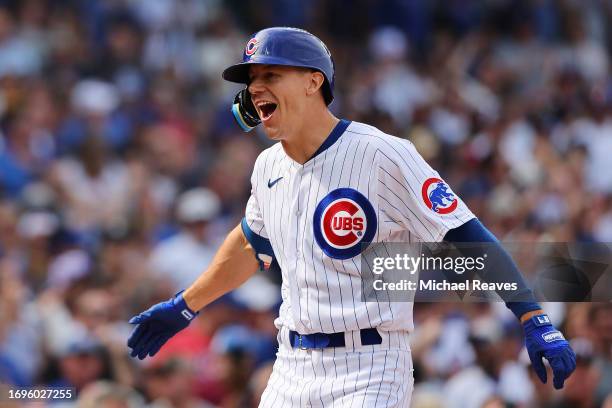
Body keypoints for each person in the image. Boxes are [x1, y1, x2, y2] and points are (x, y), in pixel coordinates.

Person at [127, 27, 576, 407]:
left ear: (312, 82)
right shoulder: (268, 167)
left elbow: (465, 234)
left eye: (270, 74)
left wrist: (531, 316)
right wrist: (186, 305)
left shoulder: (382, 153)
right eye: (250, 80)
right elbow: (250, 244)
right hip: (292, 366)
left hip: (370, 366)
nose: (254, 88)